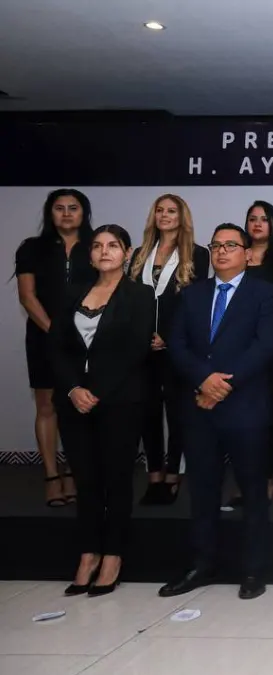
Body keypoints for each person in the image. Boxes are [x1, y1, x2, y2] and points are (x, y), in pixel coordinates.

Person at [158, 224, 273, 601]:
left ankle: (253, 570)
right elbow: (176, 344)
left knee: (252, 491)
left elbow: (265, 347)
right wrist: (204, 381)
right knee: (203, 490)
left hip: (245, 407)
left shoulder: (268, 294)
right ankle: (202, 565)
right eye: (216, 245)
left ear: (248, 253)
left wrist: (222, 385)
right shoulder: (192, 295)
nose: (222, 251)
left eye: (231, 245)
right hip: (199, 407)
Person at [51, 225, 155, 596]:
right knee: (86, 481)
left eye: (113, 246)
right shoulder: (70, 293)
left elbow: (136, 348)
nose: (104, 251)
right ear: (90, 254)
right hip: (74, 402)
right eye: (97, 246)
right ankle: (88, 554)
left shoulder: (140, 295)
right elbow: (57, 348)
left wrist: (96, 390)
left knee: (116, 480)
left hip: (120, 401)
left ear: (127, 253)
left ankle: (112, 556)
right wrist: (74, 389)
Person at [15, 188, 96, 508]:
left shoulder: (96, 246)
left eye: (73, 208)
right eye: (59, 208)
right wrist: (55, 333)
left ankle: (76, 473)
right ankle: (51, 475)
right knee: (47, 405)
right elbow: (27, 296)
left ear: (83, 213)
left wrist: (82, 333)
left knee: (81, 407)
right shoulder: (32, 248)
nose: (66, 213)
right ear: (50, 213)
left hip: (87, 339)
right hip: (44, 338)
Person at [129, 193, 210, 506]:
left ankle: (174, 475)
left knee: (179, 415)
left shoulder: (198, 254)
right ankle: (154, 477)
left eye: (171, 210)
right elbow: (131, 301)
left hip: (178, 348)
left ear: (182, 216)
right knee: (147, 414)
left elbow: (195, 304)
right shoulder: (139, 253)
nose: (164, 215)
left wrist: (168, 336)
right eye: (159, 210)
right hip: (142, 350)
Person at [222, 201, 273, 509]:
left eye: (264, 219)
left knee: (267, 413)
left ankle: (266, 480)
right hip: (233, 345)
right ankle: (246, 481)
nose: (257, 224)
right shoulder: (234, 254)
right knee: (239, 415)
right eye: (252, 219)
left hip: (272, 345)